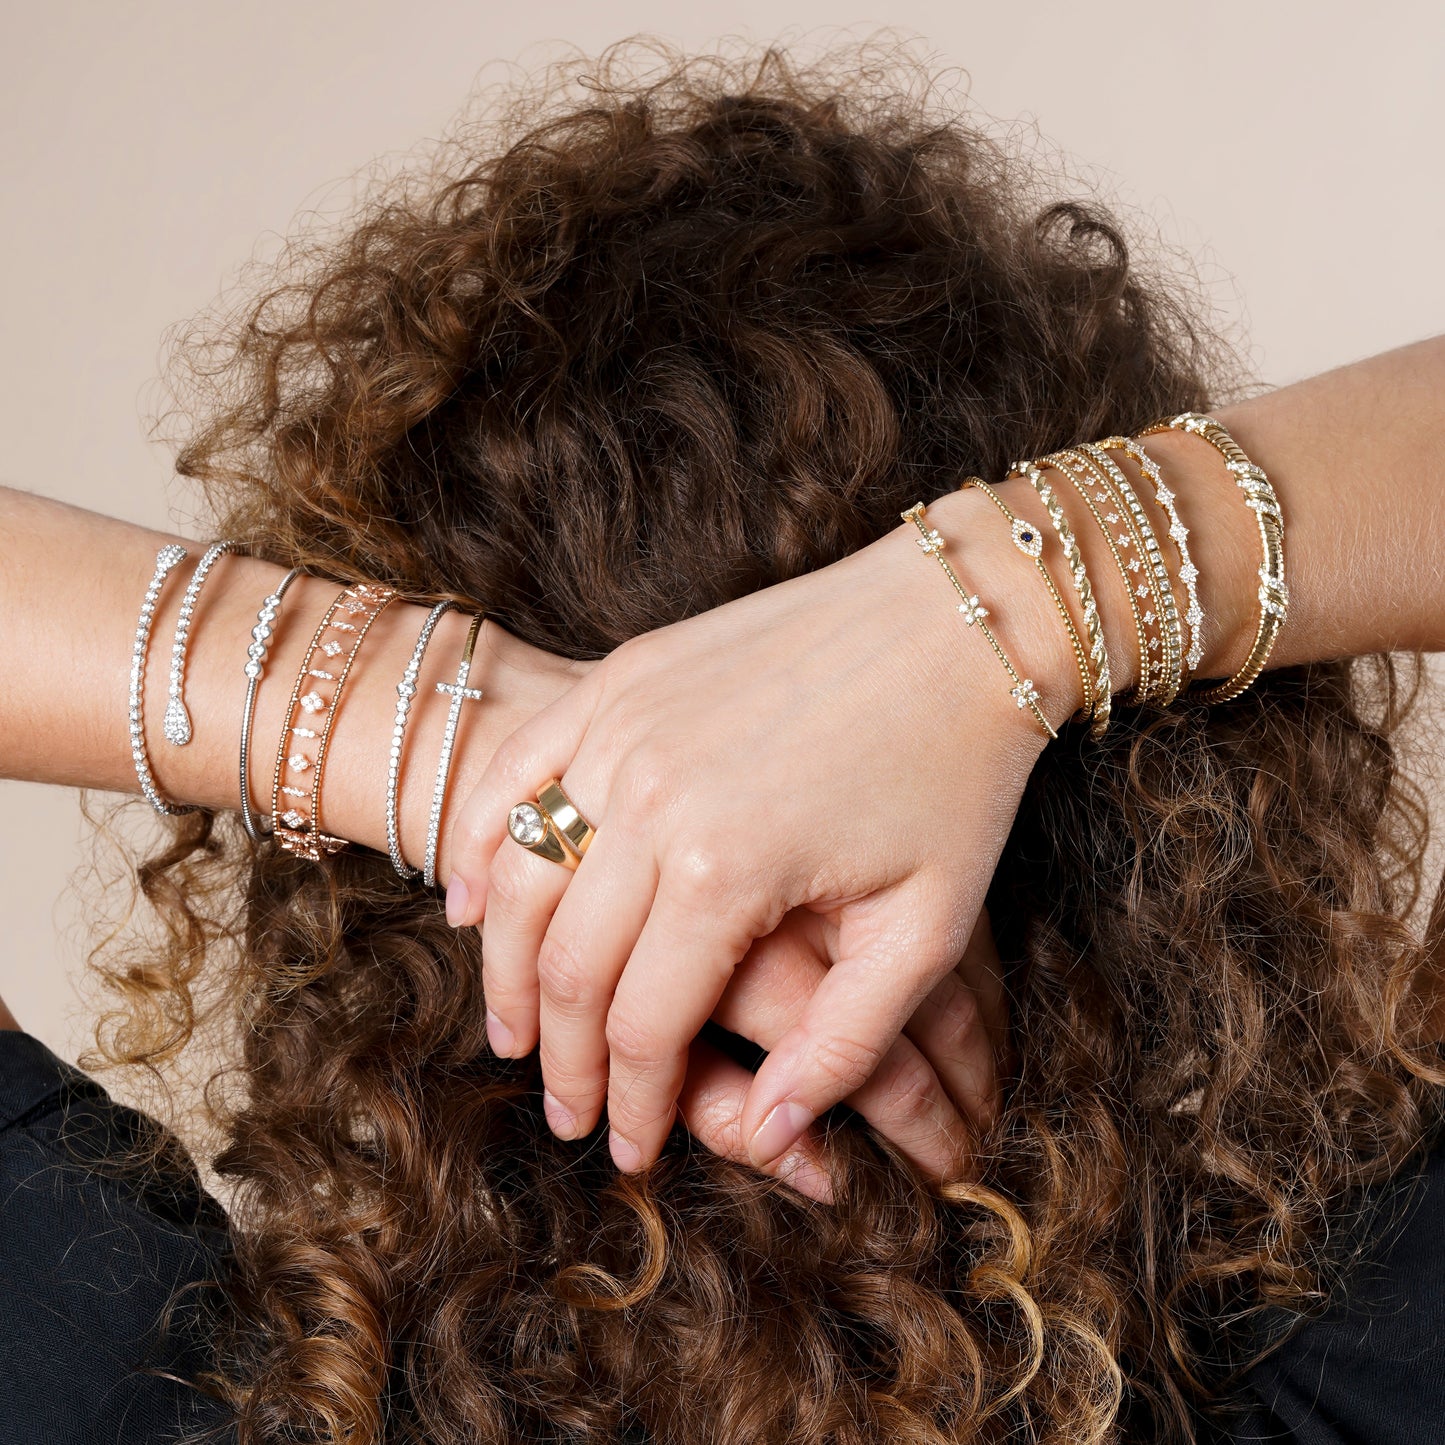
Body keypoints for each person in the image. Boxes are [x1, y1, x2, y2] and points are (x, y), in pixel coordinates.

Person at [1, 39, 1443, 1445]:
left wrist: (422, 726)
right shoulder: (1371, 1369)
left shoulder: (122, 1386)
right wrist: (1000, 607)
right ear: (1185, 814)